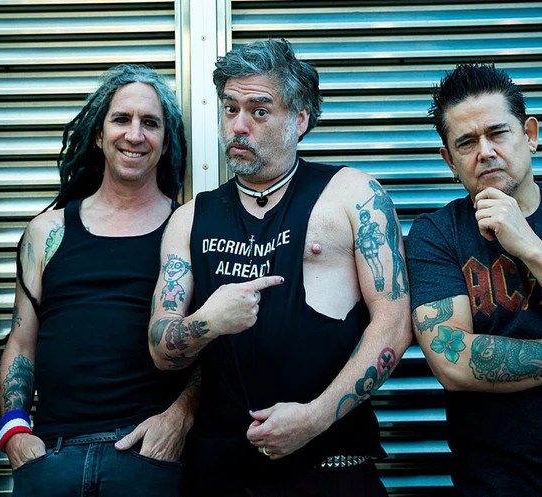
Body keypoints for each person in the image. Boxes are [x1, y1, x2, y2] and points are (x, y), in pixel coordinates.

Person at [148, 38, 412, 496]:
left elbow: (394, 322)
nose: (239, 126)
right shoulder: (189, 219)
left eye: (259, 111)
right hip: (221, 475)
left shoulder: (353, 195)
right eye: (230, 109)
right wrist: (208, 321)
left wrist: (315, 418)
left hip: (332, 466)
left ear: (300, 119)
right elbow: (161, 348)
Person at [0, 64, 199, 497]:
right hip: (52, 460)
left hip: (148, 461)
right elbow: (22, 342)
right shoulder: (47, 232)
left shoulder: (189, 227)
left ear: (166, 142)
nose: (134, 134)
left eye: (150, 123)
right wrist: (13, 430)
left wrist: (180, 417)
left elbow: (214, 347)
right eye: (121, 119)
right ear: (98, 134)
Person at [406, 63, 542, 496]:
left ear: (530, 135)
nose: (485, 152)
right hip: (495, 483)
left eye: (498, 133)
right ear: (449, 160)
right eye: (466, 142)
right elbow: (454, 362)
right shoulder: (436, 234)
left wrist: (529, 246)